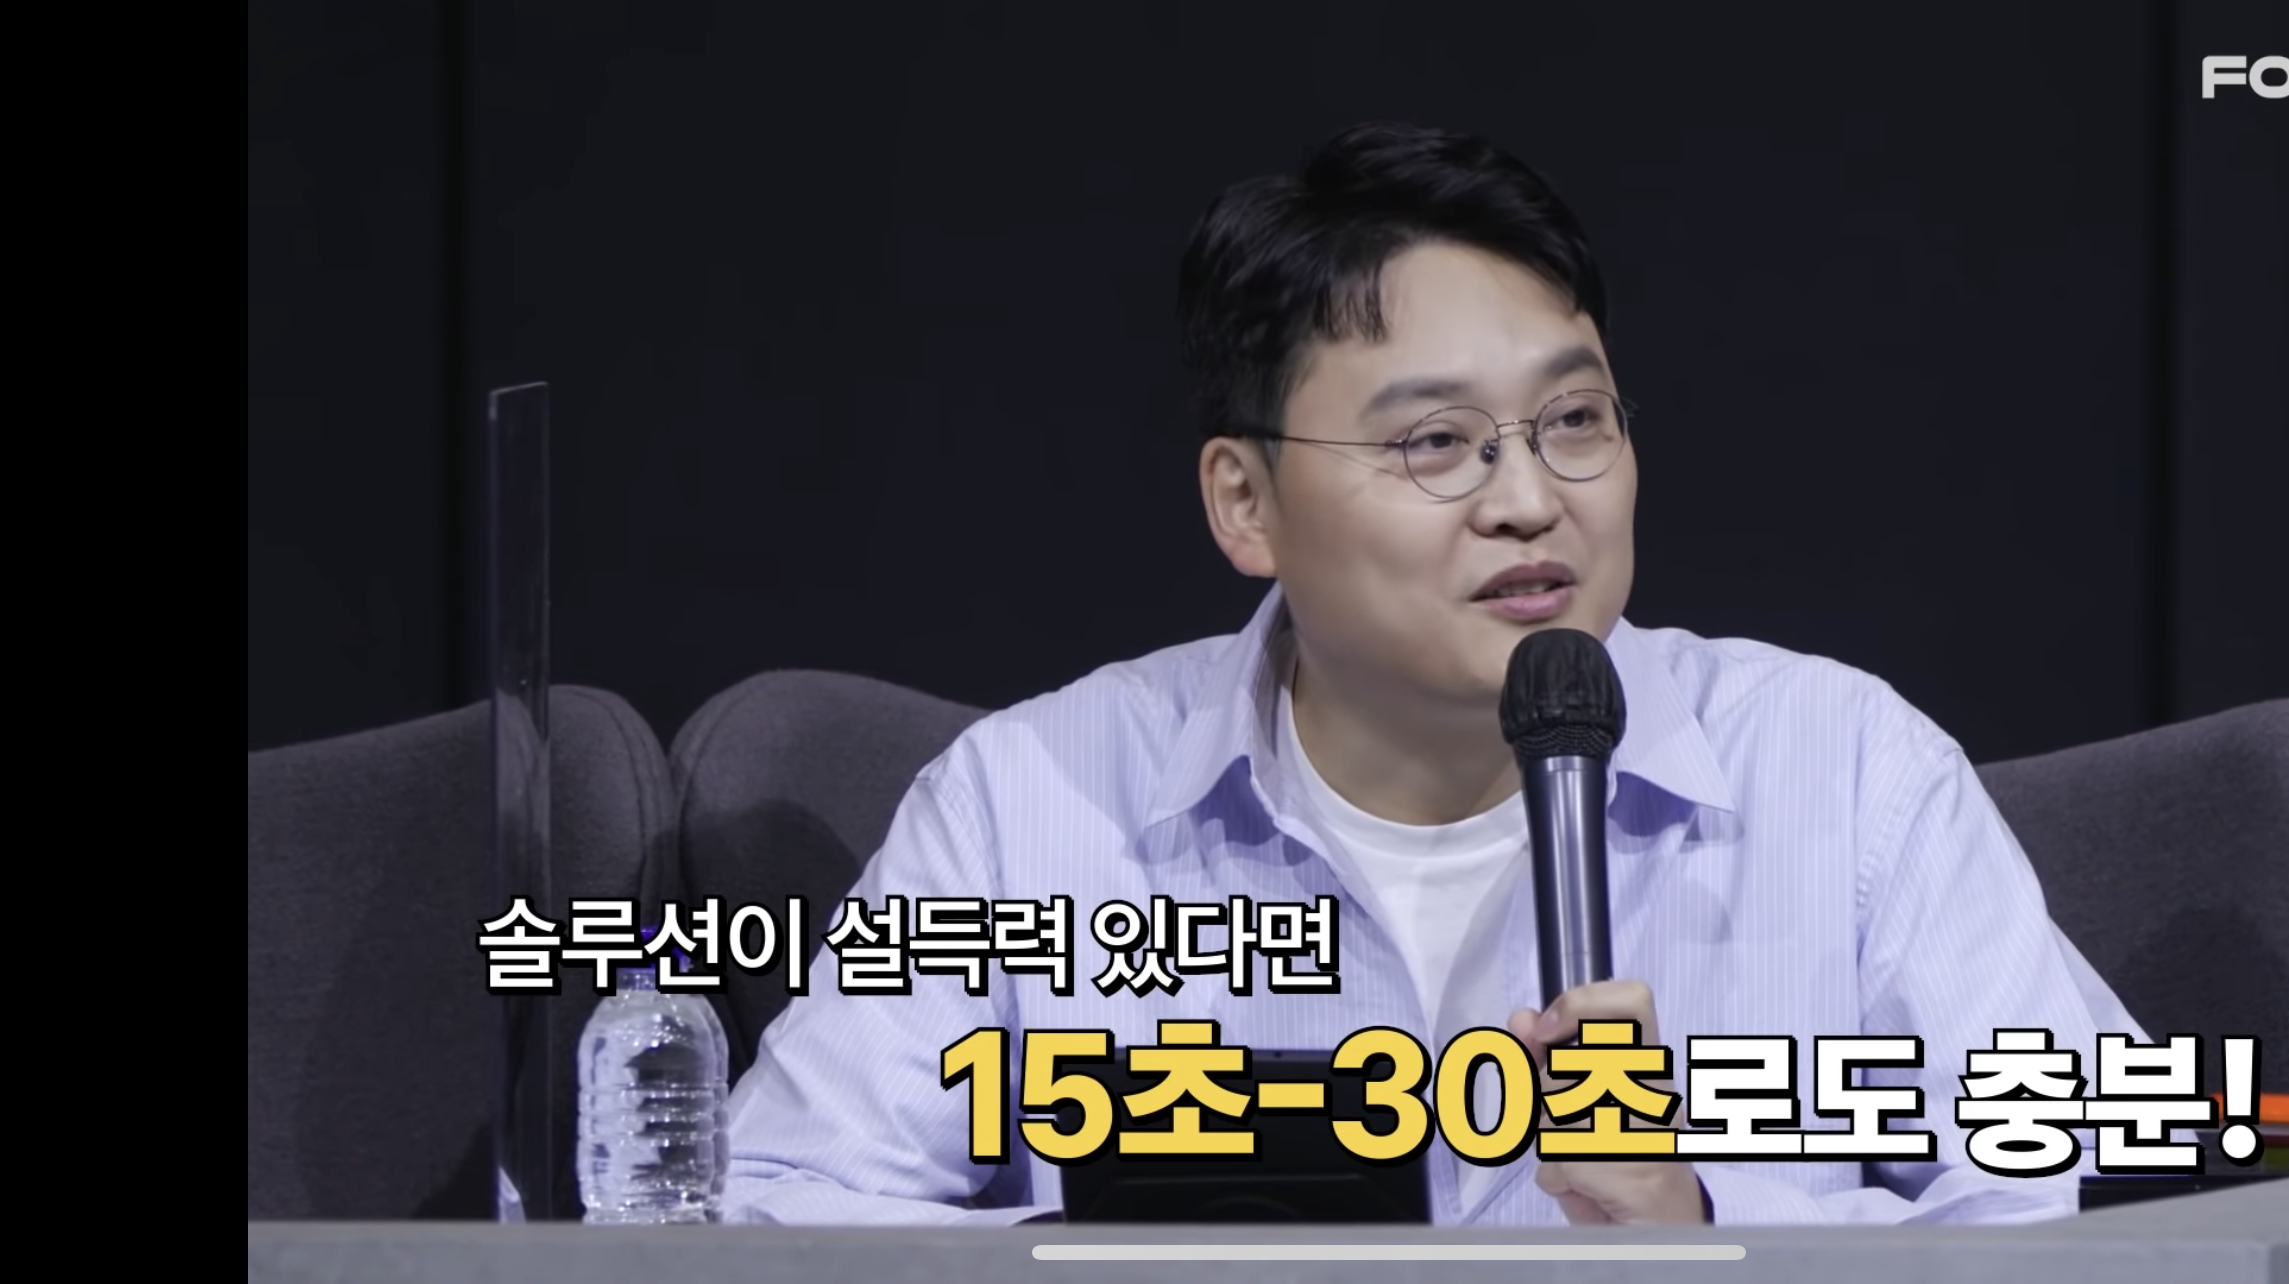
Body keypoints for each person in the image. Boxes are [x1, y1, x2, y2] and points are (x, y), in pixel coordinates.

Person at [721, 121, 2148, 1227]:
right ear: (1245, 504)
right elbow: (779, 1208)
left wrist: (1709, 1231)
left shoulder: (1843, 770)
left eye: (1574, 419)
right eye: (1435, 444)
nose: (1529, 501)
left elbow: (2102, 1211)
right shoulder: (1027, 806)